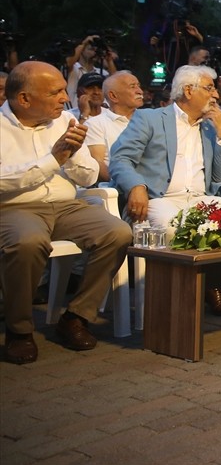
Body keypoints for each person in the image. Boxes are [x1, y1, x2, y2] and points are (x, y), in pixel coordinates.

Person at [1, 61, 133, 364]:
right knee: (28, 242)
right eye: (55, 92)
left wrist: (71, 156)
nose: (65, 98)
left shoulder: (64, 121)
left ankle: (76, 316)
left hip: (65, 206)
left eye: (64, 90)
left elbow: (88, 177)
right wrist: (53, 159)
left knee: (117, 232)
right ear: (24, 99)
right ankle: (19, 330)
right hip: (15, 207)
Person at [107, 64, 221, 314]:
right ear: (188, 90)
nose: (216, 95)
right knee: (173, 227)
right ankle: (179, 302)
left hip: (199, 199)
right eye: (209, 88)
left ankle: (211, 285)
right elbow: (120, 159)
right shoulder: (150, 118)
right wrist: (136, 185)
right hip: (159, 199)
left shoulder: (210, 127)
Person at [83, 71, 144, 183]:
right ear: (113, 96)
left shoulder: (150, 119)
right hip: (116, 186)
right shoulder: (95, 124)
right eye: (132, 86)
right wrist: (130, 184)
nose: (140, 91)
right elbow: (97, 163)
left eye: (138, 86)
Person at [65, 34, 117, 109]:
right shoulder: (74, 68)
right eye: (91, 49)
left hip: (95, 114)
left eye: (96, 50)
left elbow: (116, 82)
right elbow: (68, 63)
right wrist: (84, 43)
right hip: (72, 112)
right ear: (82, 51)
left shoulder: (101, 72)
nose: (95, 52)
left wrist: (109, 60)